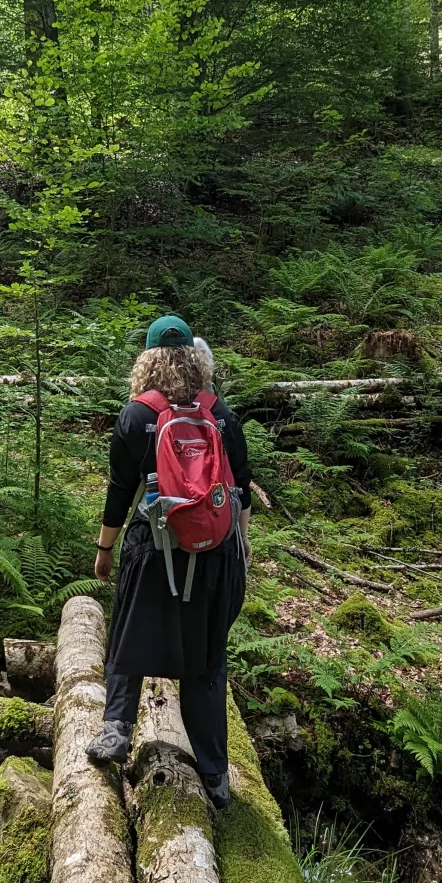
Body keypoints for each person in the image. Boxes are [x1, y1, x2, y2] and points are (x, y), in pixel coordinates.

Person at [87, 315, 252, 809]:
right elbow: (241, 487)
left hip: (155, 545)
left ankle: (116, 731)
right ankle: (215, 776)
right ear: (196, 359)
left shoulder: (138, 416)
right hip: (215, 550)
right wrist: (240, 549)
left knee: (127, 632)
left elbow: (120, 490)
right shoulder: (219, 412)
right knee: (206, 660)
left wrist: (105, 549)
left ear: (148, 359)